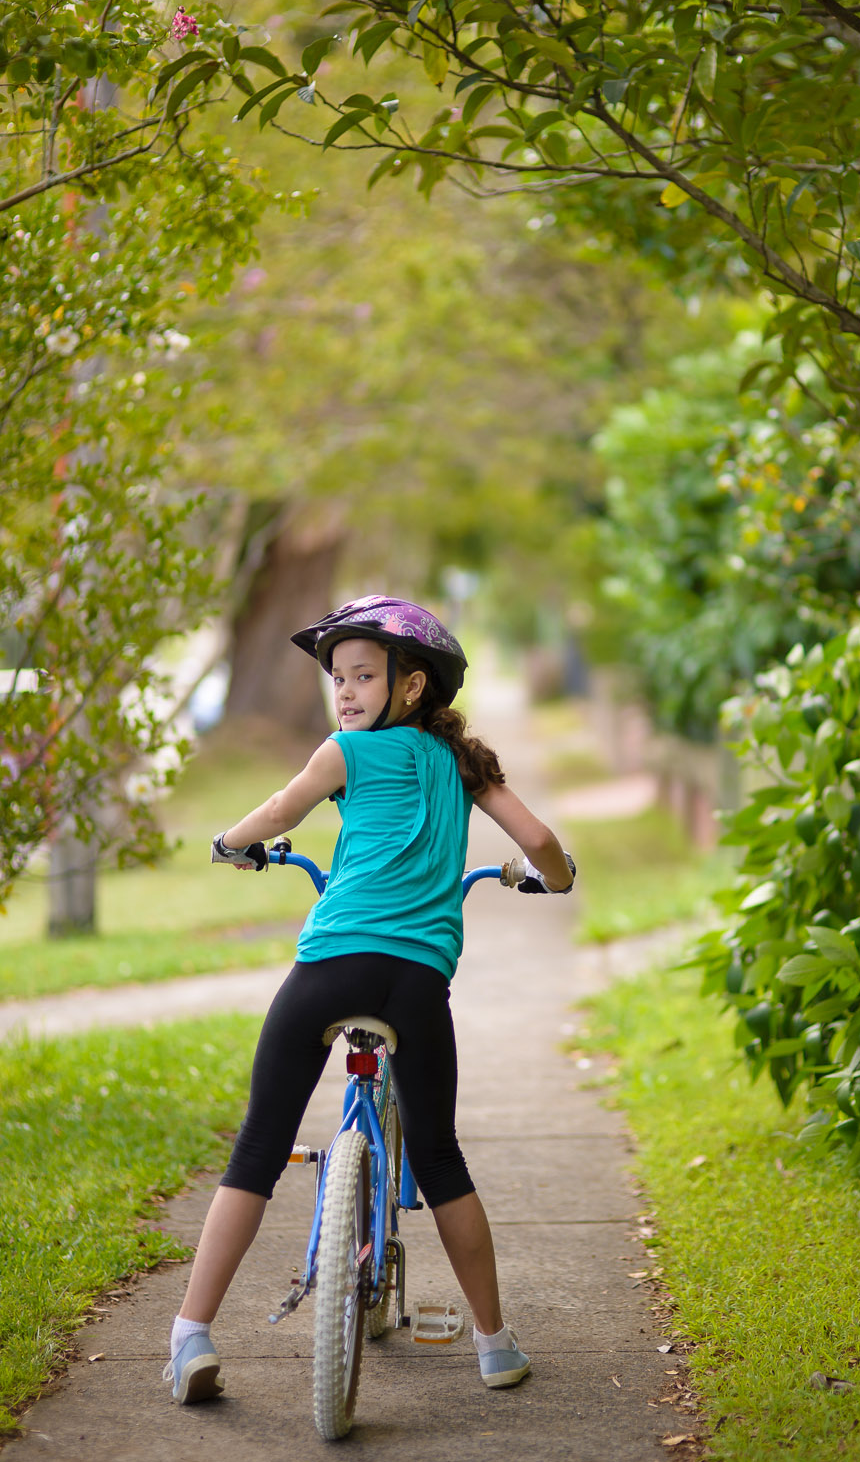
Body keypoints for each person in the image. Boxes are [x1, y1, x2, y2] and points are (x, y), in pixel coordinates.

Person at [164, 595, 576, 1409]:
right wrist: (555, 879)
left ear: (412, 686)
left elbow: (282, 812)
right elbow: (535, 843)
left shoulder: (344, 754)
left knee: (259, 1147)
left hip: (332, 967)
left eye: (363, 676)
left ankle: (190, 1335)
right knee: (441, 1156)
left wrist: (231, 844)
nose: (346, 694)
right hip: (416, 982)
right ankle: (493, 1344)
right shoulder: (467, 767)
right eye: (339, 679)